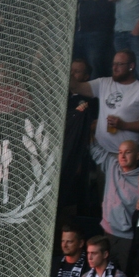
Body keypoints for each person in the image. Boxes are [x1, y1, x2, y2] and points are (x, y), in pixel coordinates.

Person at [69, 50, 139, 156]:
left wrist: (124, 125)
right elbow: (76, 87)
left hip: (126, 155)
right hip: (101, 151)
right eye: (114, 64)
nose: (115, 68)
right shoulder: (103, 83)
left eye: (120, 64)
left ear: (131, 66)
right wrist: (62, 66)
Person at [92, 138, 139, 268]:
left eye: (127, 152)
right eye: (120, 152)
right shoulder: (113, 164)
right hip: (108, 232)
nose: (122, 156)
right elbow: (94, 149)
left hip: (128, 237)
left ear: (138, 155)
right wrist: (91, 129)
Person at [60, 59, 98, 215]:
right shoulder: (61, 96)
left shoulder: (93, 100)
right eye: (71, 70)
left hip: (82, 152)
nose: (72, 74)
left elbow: (96, 123)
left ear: (86, 76)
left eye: (77, 71)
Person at [73, 0, 118, 81]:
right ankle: (76, 99)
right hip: (77, 29)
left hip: (97, 30)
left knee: (94, 70)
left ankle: (94, 99)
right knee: (76, 71)